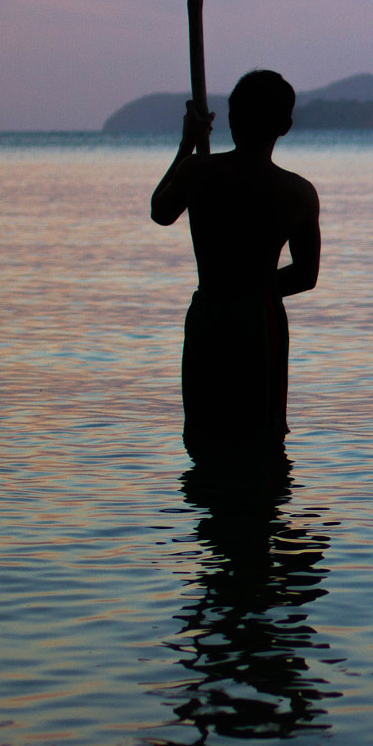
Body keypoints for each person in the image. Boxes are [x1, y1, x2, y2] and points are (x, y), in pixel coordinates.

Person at [151, 69, 320, 459]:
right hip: (260, 320)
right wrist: (255, 287)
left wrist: (186, 147)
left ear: (230, 120)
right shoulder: (297, 192)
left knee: (206, 434)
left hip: (211, 315)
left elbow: (160, 210)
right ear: (286, 126)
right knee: (262, 436)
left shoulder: (198, 172)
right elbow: (305, 275)